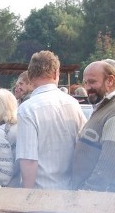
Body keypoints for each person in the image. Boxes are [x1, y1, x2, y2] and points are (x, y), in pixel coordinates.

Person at [16, 50, 86, 189]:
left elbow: (28, 160)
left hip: (41, 193)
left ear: (30, 76)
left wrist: (25, 198)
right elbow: (84, 147)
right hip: (70, 190)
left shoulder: (27, 109)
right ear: (56, 74)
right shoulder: (73, 104)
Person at [70, 61, 115, 192]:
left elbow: (111, 162)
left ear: (110, 80)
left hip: (102, 201)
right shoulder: (105, 108)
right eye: (86, 82)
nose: (87, 87)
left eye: (92, 82)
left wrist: (88, 191)